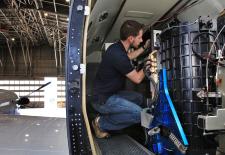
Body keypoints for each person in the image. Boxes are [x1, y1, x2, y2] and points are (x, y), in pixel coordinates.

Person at [91, 20, 150, 138]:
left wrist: (144, 48)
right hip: (102, 100)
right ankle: (100, 123)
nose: (141, 40)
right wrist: (147, 64)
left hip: (110, 93)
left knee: (139, 98)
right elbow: (138, 79)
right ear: (130, 39)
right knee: (139, 114)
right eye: (139, 38)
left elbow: (128, 57)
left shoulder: (117, 47)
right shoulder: (118, 55)